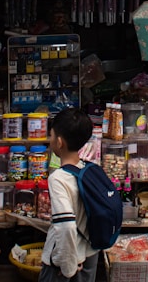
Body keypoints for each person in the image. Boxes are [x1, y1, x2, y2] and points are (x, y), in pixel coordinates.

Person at [39, 108, 99, 282]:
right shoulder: (89, 169)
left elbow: (66, 226)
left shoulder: (58, 178)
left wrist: (68, 268)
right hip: (89, 254)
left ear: (59, 142)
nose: (50, 140)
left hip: (66, 264)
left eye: (51, 136)